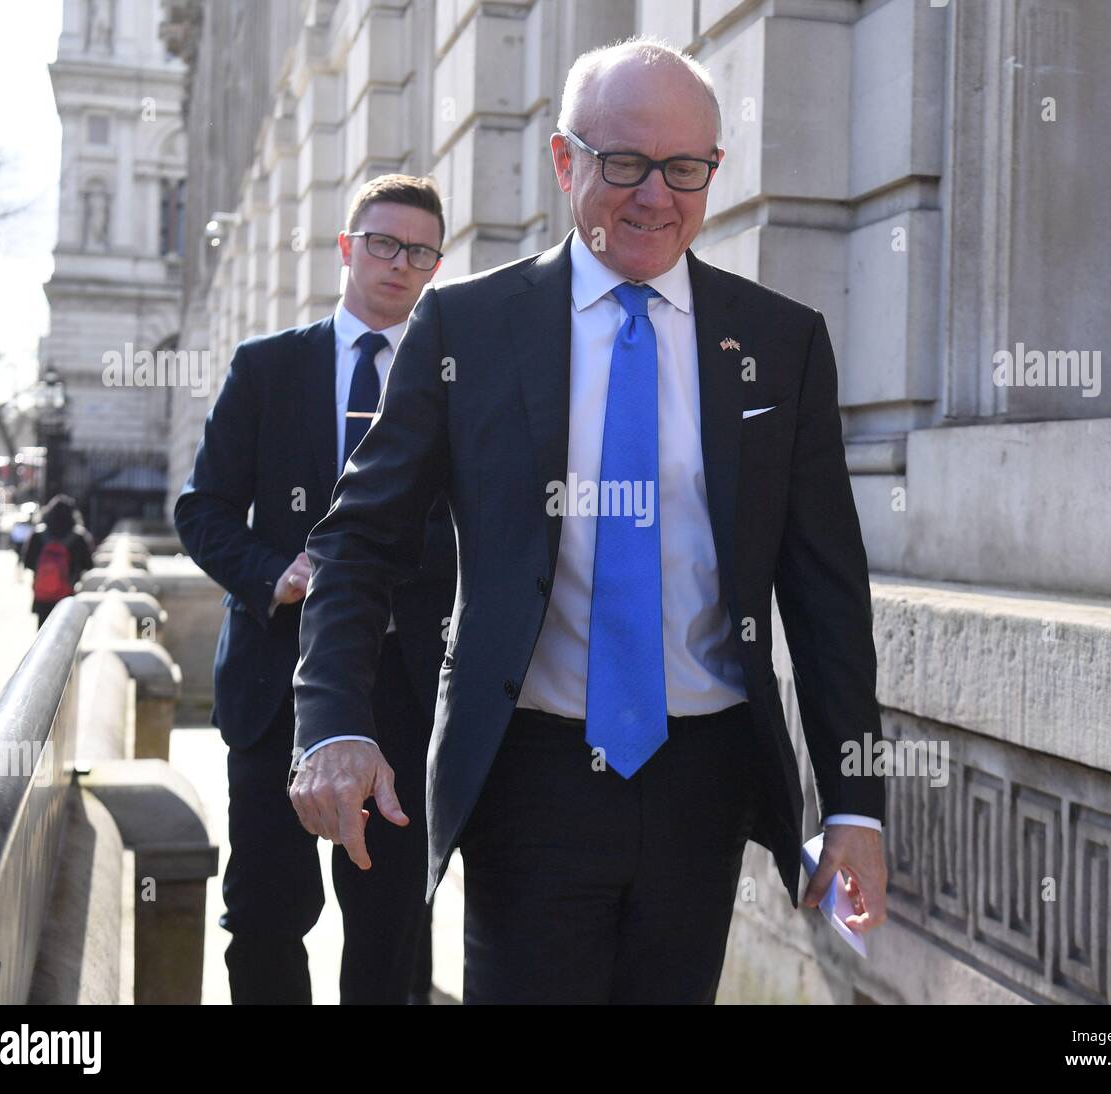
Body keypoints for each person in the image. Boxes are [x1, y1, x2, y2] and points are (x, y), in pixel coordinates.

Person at [290, 37, 888, 1005]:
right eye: (623, 163)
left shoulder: (780, 345)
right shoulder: (466, 331)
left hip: (705, 779)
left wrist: (855, 799)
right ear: (565, 161)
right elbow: (357, 541)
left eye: (683, 168)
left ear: (713, 173)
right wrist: (330, 724)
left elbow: (826, 596)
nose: (655, 196)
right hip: (530, 778)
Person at [175, 174, 456, 1005]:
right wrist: (276, 573)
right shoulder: (266, 368)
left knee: (395, 925)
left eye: (419, 251)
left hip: (405, 691)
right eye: (381, 243)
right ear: (345, 248)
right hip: (273, 688)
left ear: (435, 266)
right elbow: (203, 510)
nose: (398, 265)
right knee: (264, 913)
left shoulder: (453, 383)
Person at [23, 495, 95, 627]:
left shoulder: (38, 534)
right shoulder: (79, 537)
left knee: (42, 637)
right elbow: (89, 565)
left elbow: (28, 562)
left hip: (43, 597)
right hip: (66, 596)